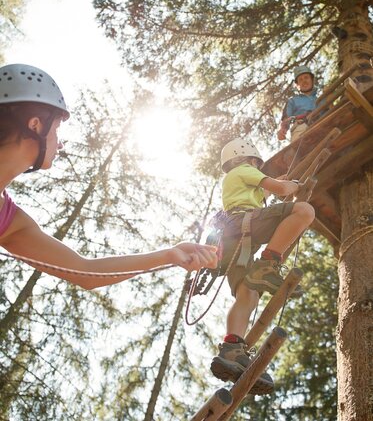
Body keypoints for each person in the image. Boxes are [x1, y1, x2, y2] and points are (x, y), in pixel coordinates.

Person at [0, 63, 217, 290]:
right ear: (35, 125)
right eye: (56, 130)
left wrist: (168, 255)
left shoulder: (9, 221)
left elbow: (85, 272)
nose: (61, 144)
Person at [210, 138, 315, 395]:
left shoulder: (237, 178)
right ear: (247, 159)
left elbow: (266, 191)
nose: (258, 166)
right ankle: (268, 264)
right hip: (245, 225)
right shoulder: (244, 170)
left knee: (248, 294)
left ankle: (232, 349)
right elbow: (279, 189)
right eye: (256, 163)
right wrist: (291, 185)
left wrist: (278, 184)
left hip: (232, 240)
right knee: (304, 211)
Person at [277, 65, 319, 142]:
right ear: (297, 85)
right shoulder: (293, 101)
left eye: (306, 77)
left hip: (323, 126)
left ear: (312, 80)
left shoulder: (322, 99)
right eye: (300, 80)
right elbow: (286, 119)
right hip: (302, 128)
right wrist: (283, 130)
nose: (304, 81)